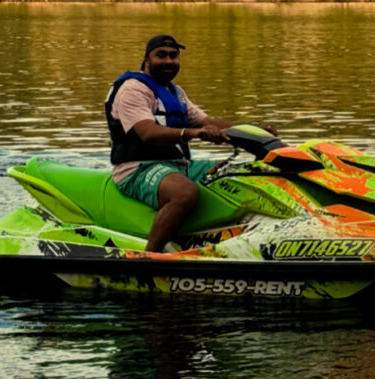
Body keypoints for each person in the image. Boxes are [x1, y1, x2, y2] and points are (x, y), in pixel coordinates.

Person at [105, 33, 264, 252]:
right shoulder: (133, 90)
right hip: (137, 168)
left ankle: (232, 241)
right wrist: (195, 133)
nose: (169, 61)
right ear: (146, 60)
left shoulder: (175, 92)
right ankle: (150, 256)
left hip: (178, 165)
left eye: (174, 56)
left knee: (237, 175)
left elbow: (208, 122)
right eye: (161, 55)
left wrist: (255, 131)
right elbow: (148, 133)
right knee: (184, 193)